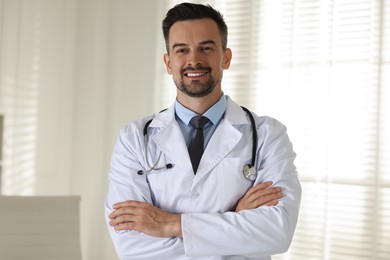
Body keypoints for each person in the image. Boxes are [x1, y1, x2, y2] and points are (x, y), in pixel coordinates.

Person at [105, 2, 301, 260]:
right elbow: (131, 245)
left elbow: (277, 231)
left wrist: (169, 224)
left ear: (226, 57)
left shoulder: (268, 135)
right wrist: (233, 220)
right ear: (168, 62)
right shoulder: (133, 139)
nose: (194, 60)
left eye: (206, 48)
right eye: (181, 50)